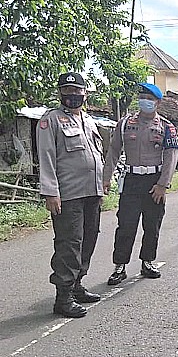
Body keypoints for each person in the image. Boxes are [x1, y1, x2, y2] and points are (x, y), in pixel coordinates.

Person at [36, 72, 103, 318]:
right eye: (68, 91)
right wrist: (50, 192)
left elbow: (97, 154)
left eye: (77, 91)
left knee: (89, 239)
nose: (73, 95)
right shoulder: (50, 120)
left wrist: (101, 185)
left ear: (85, 93)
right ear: (60, 93)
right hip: (68, 195)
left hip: (92, 192)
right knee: (69, 244)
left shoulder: (89, 120)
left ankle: (77, 285)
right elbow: (46, 157)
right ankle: (63, 298)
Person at [103, 83, 178, 285]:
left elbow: (171, 155)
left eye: (150, 98)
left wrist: (163, 184)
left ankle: (147, 262)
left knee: (152, 224)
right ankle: (120, 266)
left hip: (154, 181)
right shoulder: (125, 123)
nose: (145, 100)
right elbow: (114, 151)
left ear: (158, 102)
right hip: (131, 180)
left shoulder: (166, 126)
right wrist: (105, 178)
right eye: (143, 96)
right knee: (126, 225)